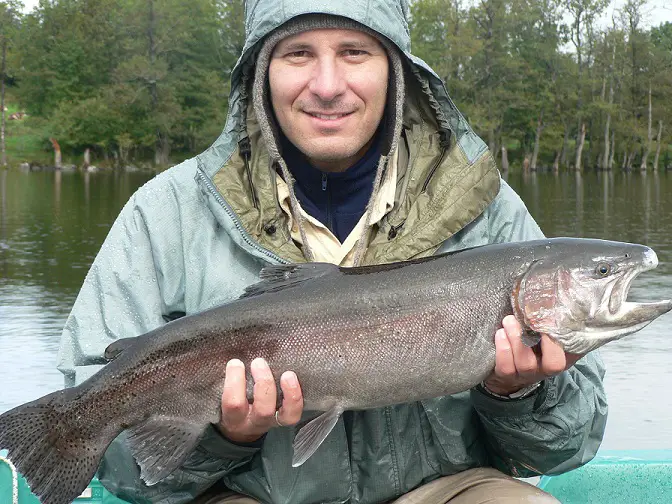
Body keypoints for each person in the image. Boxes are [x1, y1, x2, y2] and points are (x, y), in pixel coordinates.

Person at [57, 1, 607, 503]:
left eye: (354, 53)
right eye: (298, 54)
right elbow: (124, 473)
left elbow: (566, 450)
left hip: (445, 490)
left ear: (396, 71)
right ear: (259, 74)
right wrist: (225, 437)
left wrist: (518, 394)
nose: (327, 85)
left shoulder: (484, 207)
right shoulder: (167, 214)